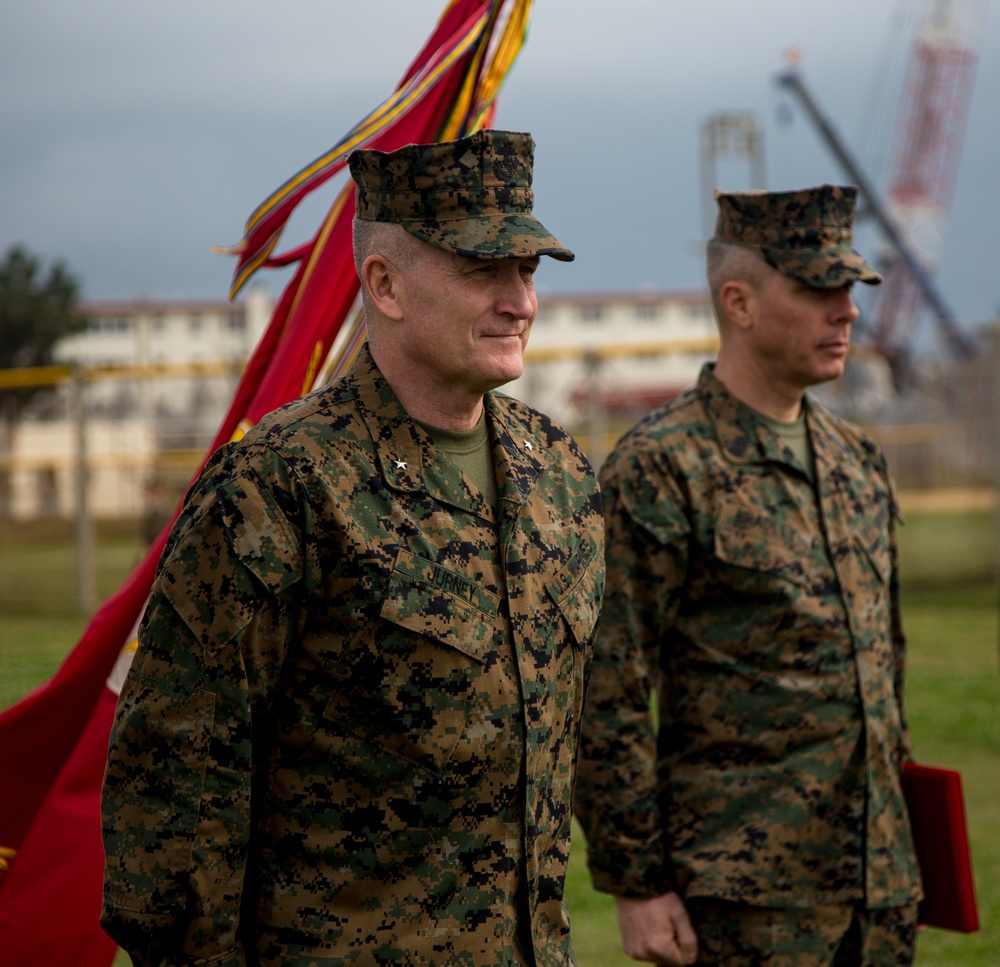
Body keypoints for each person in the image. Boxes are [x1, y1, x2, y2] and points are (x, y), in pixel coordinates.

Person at [101, 129, 605, 967]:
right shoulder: (277, 487)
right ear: (386, 285)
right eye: (485, 269)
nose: (521, 299)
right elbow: (176, 795)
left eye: (529, 270)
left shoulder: (554, 472)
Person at [573, 185, 921, 967]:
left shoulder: (857, 461)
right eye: (818, 288)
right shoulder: (662, 467)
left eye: (851, 290)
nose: (848, 312)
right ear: (739, 301)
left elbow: (883, 676)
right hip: (742, 900)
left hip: (880, 887)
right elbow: (606, 688)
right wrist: (636, 880)